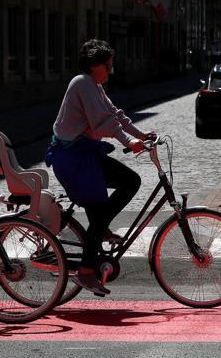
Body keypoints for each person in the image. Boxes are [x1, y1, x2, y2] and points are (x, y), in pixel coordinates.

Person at [46, 39, 151, 295]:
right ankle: (85, 272)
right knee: (115, 196)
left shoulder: (94, 85)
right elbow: (103, 122)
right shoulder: (82, 83)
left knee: (127, 184)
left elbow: (115, 114)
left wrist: (141, 135)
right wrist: (129, 141)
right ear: (94, 65)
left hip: (85, 154)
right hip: (73, 159)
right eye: (107, 65)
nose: (110, 70)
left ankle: (100, 227)